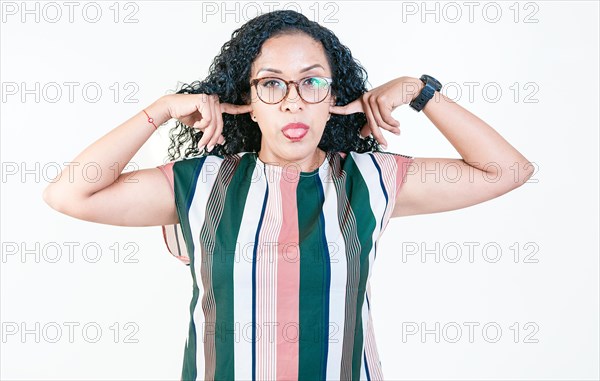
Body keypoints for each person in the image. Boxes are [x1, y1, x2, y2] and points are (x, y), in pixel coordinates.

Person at [42, 10, 533, 381]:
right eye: (272, 84)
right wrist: (162, 110)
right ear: (248, 103)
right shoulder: (196, 184)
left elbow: (508, 170)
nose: (293, 99)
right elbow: (70, 194)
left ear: (335, 99)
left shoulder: (372, 179)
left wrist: (419, 91)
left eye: (312, 81)